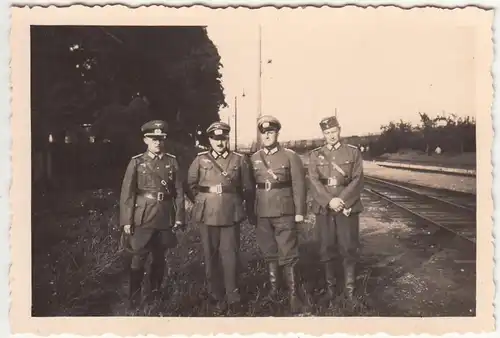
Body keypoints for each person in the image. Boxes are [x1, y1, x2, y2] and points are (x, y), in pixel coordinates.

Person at [187, 121, 256, 312]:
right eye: (215, 139)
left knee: (230, 255)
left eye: (222, 138)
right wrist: (202, 201)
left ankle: (233, 295)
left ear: (227, 139)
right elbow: (191, 185)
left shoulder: (239, 160)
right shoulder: (200, 160)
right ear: (210, 140)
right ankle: (214, 294)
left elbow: (248, 188)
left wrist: (237, 203)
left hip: (230, 213)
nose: (219, 142)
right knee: (210, 255)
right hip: (207, 212)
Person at [119, 120, 186, 308]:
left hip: (164, 217)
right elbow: (128, 193)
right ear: (145, 140)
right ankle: (134, 297)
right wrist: (126, 220)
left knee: (159, 257)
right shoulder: (137, 162)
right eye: (153, 139)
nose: (157, 142)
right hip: (143, 216)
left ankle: (155, 293)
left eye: (161, 138)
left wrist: (179, 217)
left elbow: (179, 192)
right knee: (138, 256)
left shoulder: (171, 161)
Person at [250, 115, 307, 314]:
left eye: (271, 132)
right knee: (269, 251)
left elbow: (299, 185)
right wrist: (252, 212)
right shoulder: (254, 158)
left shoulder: (290, 156)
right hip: (262, 211)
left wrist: (300, 212)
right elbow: (250, 188)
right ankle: (274, 290)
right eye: (264, 133)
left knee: (288, 252)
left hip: (284, 211)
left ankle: (293, 296)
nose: (267, 136)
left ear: (277, 133)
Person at [307, 116, 364, 304]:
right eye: (327, 133)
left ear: (339, 130)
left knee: (349, 247)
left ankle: (350, 291)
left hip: (346, 206)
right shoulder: (316, 155)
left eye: (334, 132)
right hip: (325, 208)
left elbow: (357, 179)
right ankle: (331, 289)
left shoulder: (353, 152)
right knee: (326, 247)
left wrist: (342, 200)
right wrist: (329, 201)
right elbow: (313, 181)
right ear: (323, 134)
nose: (331, 136)